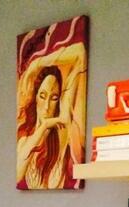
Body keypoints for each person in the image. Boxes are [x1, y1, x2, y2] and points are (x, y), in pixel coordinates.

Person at [17, 42, 86, 190]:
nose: (47, 106)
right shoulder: (24, 141)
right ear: (35, 97)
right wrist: (43, 127)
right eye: (42, 96)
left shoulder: (62, 130)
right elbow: (18, 174)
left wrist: (36, 64)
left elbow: (80, 53)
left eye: (54, 98)